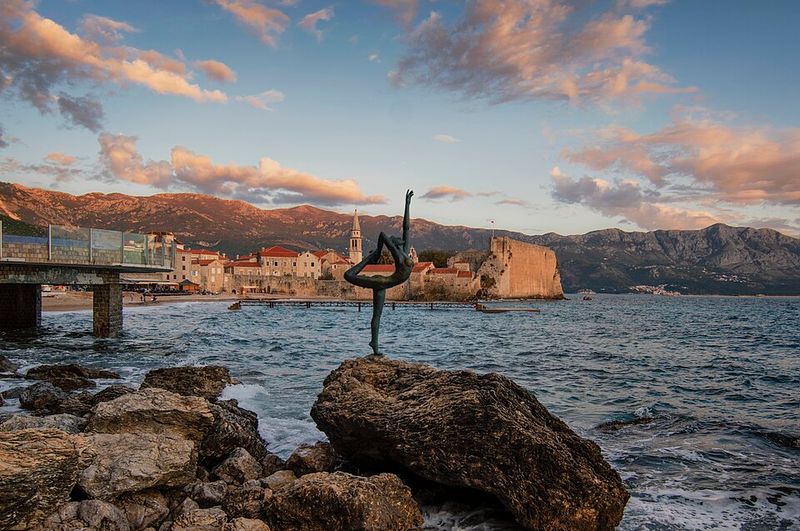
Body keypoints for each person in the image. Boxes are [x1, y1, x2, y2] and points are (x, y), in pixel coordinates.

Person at [345, 189, 414, 355]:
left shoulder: (404, 250)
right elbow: (383, 235)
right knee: (348, 275)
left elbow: (406, 228)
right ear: (394, 243)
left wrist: (407, 204)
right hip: (381, 282)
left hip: (384, 284)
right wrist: (377, 252)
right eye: (395, 239)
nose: (399, 238)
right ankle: (369, 259)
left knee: (377, 316)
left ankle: (374, 345)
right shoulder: (398, 255)